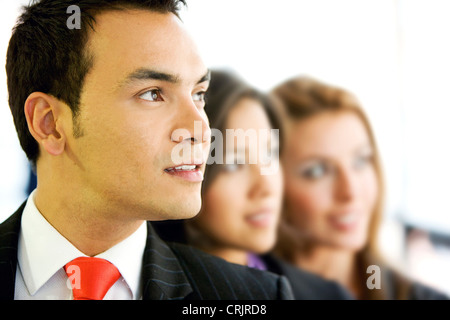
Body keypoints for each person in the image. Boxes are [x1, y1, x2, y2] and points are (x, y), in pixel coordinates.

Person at [0, 0, 294, 300]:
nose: (201, 129)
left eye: (198, 94)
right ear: (49, 123)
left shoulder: (256, 296)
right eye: (153, 94)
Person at [153, 69, 353, 299]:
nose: (266, 187)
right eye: (233, 164)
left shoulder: (328, 295)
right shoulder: (134, 287)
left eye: (270, 154)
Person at [270, 75, 448, 300]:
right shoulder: (244, 293)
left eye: (361, 161)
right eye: (317, 171)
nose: (350, 192)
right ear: (274, 183)